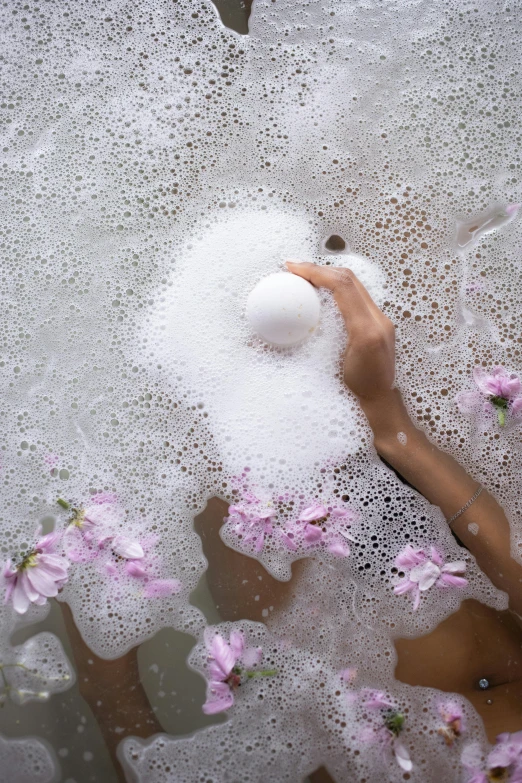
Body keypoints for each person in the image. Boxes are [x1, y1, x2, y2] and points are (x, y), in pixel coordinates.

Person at [60, 262, 522, 782]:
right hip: (439, 562)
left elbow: (126, 725)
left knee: (194, 408)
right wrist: (390, 424)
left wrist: (105, 675)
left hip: (314, 636)